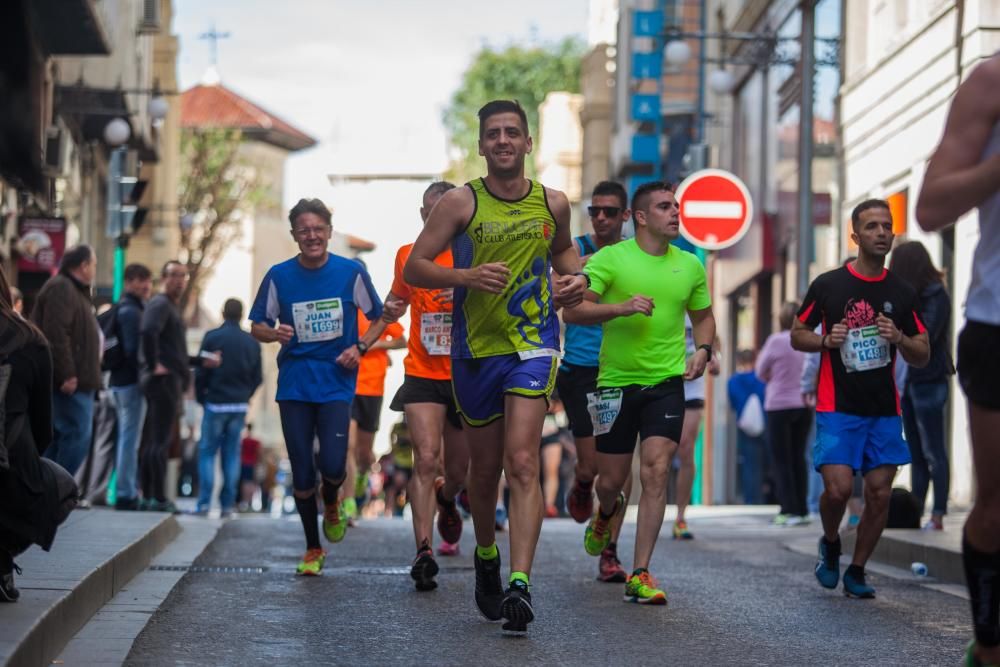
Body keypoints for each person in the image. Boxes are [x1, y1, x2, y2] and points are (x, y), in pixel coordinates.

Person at [403, 100, 588, 632]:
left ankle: (521, 584)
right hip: (474, 350)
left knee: (523, 461)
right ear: (482, 146)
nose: (503, 141)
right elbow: (418, 266)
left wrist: (579, 282)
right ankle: (487, 554)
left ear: (528, 143)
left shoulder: (553, 203)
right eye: (493, 134)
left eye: (513, 133)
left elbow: (567, 262)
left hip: (532, 344)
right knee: (483, 473)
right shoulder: (461, 203)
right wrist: (465, 278)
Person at [564, 180, 715, 606]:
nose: (676, 212)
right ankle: (605, 513)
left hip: (666, 383)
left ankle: (641, 571)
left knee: (655, 471)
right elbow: (574, 309)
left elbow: (703, 318)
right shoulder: (612, 259)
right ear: (643, 217)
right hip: (613, 383)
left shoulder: (690, 265)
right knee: (610, 481)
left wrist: (703, 349)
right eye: (666, 206)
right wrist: (621, 307)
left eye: (677, 206)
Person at [791, 198, 929, 599]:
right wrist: (823, 341)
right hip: (838, 406)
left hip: (884, 409)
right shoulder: (830, 285)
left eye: (886, 226)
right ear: (855, 235)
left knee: (880, 493)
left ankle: (858, 569)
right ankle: (831, 541)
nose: (881, 233)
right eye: (871, 226)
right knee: (836, 490)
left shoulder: (902, 292)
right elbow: (796, 334)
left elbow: (924, 353)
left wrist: (900, 338)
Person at [249, 198, 390, 577]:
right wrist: (273, 331)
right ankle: (313, 547)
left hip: (336, 383)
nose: (311, 236)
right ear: (295, 235)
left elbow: (379, 318)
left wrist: (359, 348)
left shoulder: (349, 273)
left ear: (329, 231)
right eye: (303, 230)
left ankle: (333, 500)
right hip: (295, 383)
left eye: (318, 229)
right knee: (301, 471)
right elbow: (256, 325)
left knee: (332, 464)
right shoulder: (279, 276)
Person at [915, 54, 1000, 665]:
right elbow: (930, 207)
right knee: (997, 508)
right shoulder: (993, 80)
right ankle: (991, 647)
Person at [384, 180, 470, 590]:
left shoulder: (475, 252)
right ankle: (423, 550)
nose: (438, 219)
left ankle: (448, 498)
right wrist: (372, 330)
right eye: (431, 213)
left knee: (457, 472)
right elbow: (395, 301)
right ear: (423, 216)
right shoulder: (408, 255)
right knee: (425, 460)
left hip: (467, 373)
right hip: (421, 372)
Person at [558, 180, 632, 583]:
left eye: (609, 211)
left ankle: (611, 551)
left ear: (625, 216)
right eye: (595, 211)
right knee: (591, 466)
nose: (600, 217)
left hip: (626, 369)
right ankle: (582, 483)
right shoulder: (574, 252)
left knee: (619, 470)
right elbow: (561, 301)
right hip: (583, 369)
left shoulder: (636, 256)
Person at [0, 267, 76, 602]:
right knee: (63, 487)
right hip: (11, 476)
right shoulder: (29, 340)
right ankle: (2, 559)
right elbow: (43, 429)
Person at [139, 261, 220, 513]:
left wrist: (199, 361)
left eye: (183, 276)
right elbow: (148, 331)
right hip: (162, 382)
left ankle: (153, 496)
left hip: (169, 380)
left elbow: (175, 352)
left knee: (157, 440)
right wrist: (154, 365)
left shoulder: (170, 307)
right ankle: (156, 497)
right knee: (158, 441)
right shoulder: (161, 304)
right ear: (163, 278)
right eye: (174, 275)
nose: (179, 280)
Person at [887, 241, 953, 531]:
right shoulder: (912, 297)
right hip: (910, 380)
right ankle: (914, 511)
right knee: (915, 450)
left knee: (934, 450)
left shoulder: (936, 295)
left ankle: (937, 513)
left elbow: (925, 334)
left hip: (929, 379)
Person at [30, 244, 101, 475]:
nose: (94, 269)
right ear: (83, 265)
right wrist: (67, 373)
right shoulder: (62, 288)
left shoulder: (74, 290)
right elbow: (56, 334)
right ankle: (55, 490)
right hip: (70, 384)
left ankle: (46, 491)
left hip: (78, 381)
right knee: (76, 434)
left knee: (63, 437)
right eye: (93, 264)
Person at [194, 298, 263, 515]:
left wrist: (201, 396)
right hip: (239, 406)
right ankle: (226, 505)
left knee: (207, 452)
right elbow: (257, 377)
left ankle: (204, 503)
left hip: (215, 403)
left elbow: (201, 370)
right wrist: (245, 395)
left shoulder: (212, 337)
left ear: (223, 312)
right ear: (242, 315)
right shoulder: (251, 343)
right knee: (232, 455)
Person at [342, 309, 405, 521]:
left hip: (373, 389)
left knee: (364, 453)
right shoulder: (344, 310)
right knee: (348, 446)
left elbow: (401, 341)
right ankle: (349, 501)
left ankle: (362, 474)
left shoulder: (378, 312)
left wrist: (374, 344)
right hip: (348, 386)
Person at [756, 302, 812, 525]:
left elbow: (760, 371)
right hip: (803, 404)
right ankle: (803, 509)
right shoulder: (806, 340)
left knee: (781, 460)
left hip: (778, 405)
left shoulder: (776, 341)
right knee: (799, 457)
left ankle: (788, 510)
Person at [107, 263, 153, 511]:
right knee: (129, 440)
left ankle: (127, 489)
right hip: (131, 383)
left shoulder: (128, 308)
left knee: (126, 438)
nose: (145, 285)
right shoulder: (131, 312)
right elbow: (134, 351)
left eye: (147, 279)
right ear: (128, 282)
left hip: (121, 382)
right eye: (139, 280)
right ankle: (125, 493)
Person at [672, 315, 720, 539]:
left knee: (685, 447)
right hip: (663, 380)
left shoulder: (695, 301)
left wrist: (714, 357)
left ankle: (681, 517)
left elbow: (712, 335)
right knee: (658, 453)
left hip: (692, 386)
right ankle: (650, 511)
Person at [727, 349, 766, 505]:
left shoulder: (733, 381)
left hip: (744, 426)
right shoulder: (761, 379)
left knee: (748, 463)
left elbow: (732, 404)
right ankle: (762, 497)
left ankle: (750, 498)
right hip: (764, 425)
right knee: (763, 462)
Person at [239, 423, 262, 512]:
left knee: (245, 484)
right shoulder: (256, 441)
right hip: (253, 464)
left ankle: (245, 501)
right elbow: (259, 453)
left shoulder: (243, 441)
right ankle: (249, 501)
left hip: (244, 464)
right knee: (252, 484)